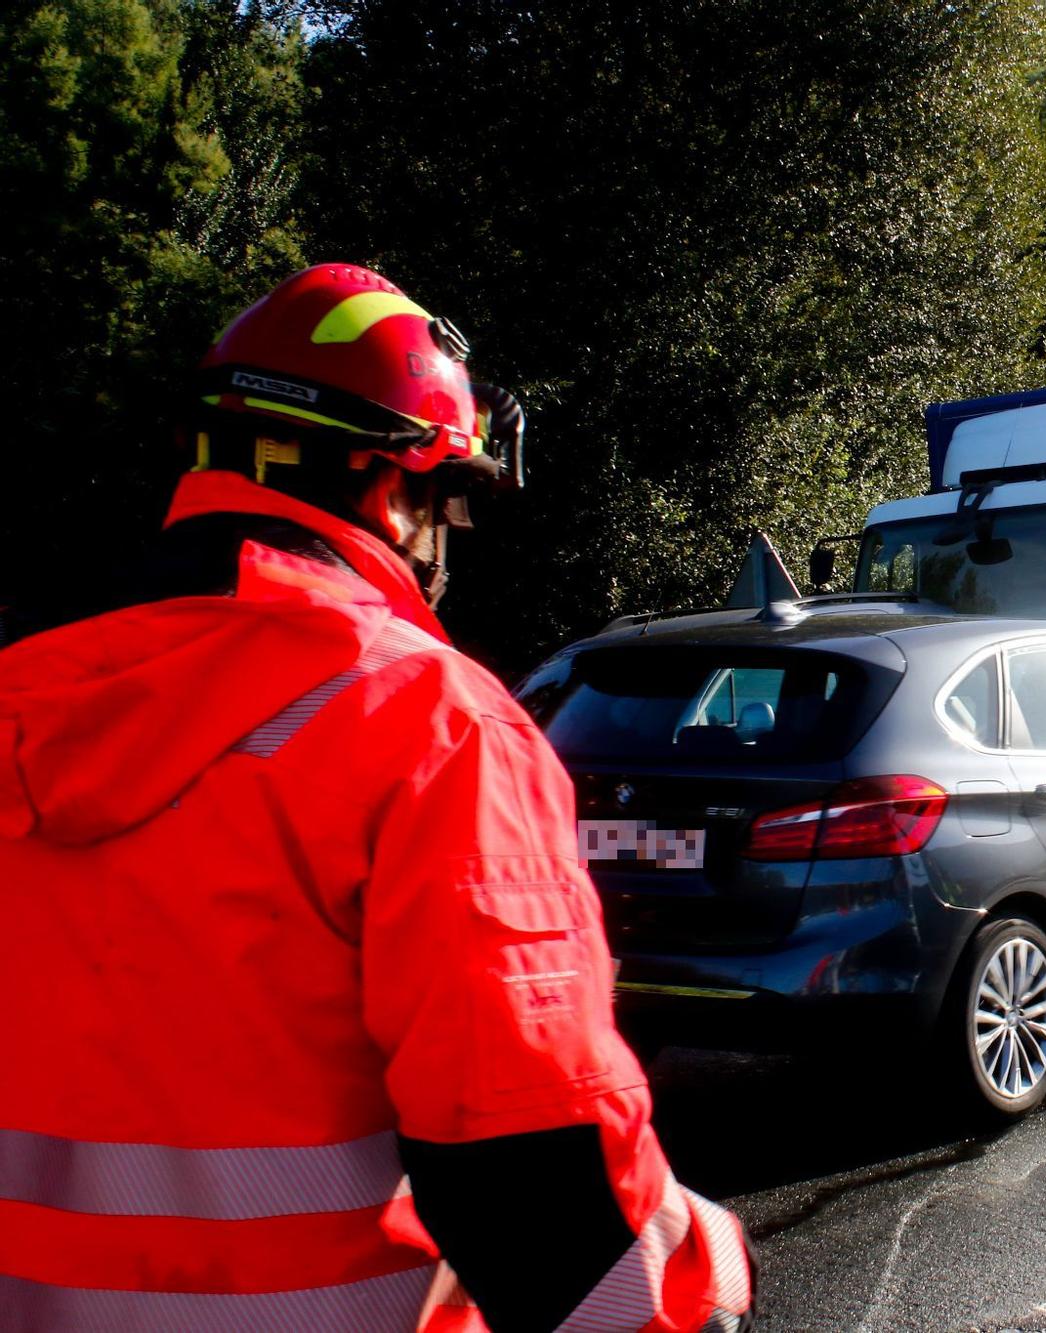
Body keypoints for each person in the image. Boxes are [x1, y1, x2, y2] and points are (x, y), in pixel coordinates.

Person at [0, 265, 753, 1331]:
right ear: (387, 487)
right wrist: (701, 1286)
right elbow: (529, 1169)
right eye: (450, 503)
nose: (453, 541)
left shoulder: (23, 696)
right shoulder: (430, 726)